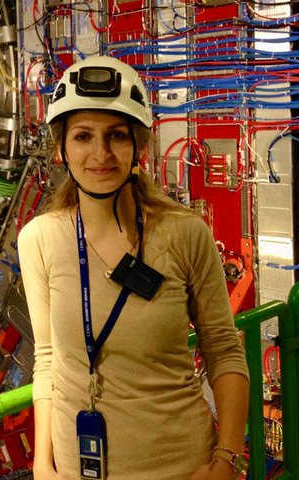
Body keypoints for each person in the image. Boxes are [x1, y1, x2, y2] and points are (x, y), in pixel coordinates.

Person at [17, 56, 250, 480]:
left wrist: (225, 458)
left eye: (117, 136)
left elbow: (222, 348)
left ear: (138, 147)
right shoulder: (39, 240)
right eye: (83, 136)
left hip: (180, 466)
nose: (100, 153)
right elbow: (48, 359)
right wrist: (42, 463)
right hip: (78, 469)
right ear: (61, 148)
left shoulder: (186, 234)